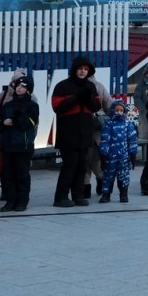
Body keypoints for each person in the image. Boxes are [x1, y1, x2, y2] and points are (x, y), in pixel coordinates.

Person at [51, 55, 102, 207]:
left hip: (85, 132)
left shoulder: (91, 87)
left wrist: (87, 97)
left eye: (86, 69)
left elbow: (96, 106)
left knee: (82, 165)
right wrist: (77, 97)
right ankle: (61, 197)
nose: (83, 72)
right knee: (70, 165)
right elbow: (58, 107)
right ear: (74, 70)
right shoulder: (62, 86)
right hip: (68, 132)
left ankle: (78, 195)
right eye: (80, 69)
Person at [0, 76, 38, 212]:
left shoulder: (32, 106)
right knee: (8, 175)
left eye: (23, 86)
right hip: (8, 145)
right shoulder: (7, 105)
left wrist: (17, 118)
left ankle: (22, 201)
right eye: (18, 86)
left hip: (23, 146)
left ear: (28, 90)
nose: (19, 88)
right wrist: (3, 123)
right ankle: (10, 201)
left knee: (22, 174)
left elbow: (30, 123)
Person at [99, 99, 138, 203]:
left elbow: (132, 139)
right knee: (108, 177)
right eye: (117, 110)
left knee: (124, 176)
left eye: (121, 110)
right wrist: (103, 154)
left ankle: (123, 194)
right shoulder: (109, 125)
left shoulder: (128, 124)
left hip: (124, 158)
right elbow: (105, 139)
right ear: (113, 111)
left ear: (124, 111)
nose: (119, 112)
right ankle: (106, 194)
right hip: (110, 157)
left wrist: (133, 153)